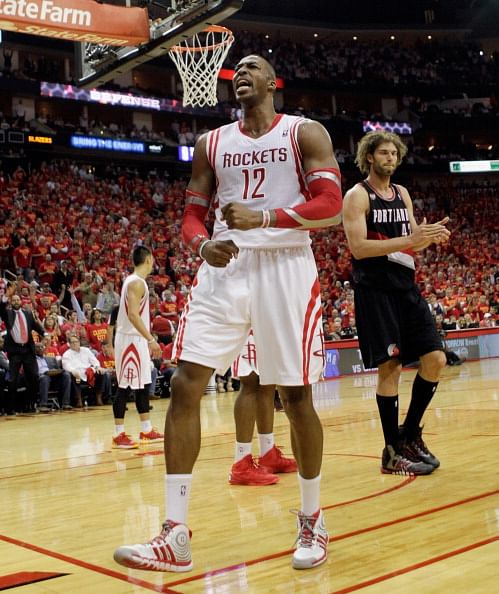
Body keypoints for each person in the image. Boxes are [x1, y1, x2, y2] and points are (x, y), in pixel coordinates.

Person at [113, 54, 342, 572]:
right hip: (225, 268)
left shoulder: (305, 133)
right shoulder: (210, 143)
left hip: (285, 265)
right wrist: (201, 248)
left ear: (273, 82)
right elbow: (194, 213)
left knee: (296, 395)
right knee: (186, 383)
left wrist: (264, 216)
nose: (240, 72)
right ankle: (174, 534)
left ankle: (312, 519)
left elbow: (329, 204)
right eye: (235, 68)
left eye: (252, 66)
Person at [342, 131, 450, 476]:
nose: (391, 158)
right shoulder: (358, 196)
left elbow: (411, 242)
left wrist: (428, 237)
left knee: (435, 359)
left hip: (406, 288)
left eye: (394, 153)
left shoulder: (402, 193)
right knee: (390, 369)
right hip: (375, 292)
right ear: (369, 157)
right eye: (384, 153)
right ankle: (391, 453)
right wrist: (411, 238)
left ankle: (410, 434)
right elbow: (358, 247)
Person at [111, 245, 164, 449]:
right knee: (124, 386)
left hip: (137, 340)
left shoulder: (135, 281)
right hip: (129, 340)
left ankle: (146, 429)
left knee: (142, 384)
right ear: (149, 259)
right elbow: (133, 315)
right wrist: (151, 339)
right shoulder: (136, 283)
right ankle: (118, 434)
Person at [229, 331, 297, 486]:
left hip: (268, 321)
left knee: (267, 382)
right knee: (250, 381)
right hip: (247, 320)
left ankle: (268, 454)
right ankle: (241, 462)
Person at [0, 284, 46, 414]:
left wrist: (45, 334)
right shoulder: (8, 313)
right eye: (13, 300)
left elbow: (35, 326)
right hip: (15, 351)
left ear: (21, 301)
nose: (16, 302)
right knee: (13, 380)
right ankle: (10, 408)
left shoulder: (27, 313)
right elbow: (1, 309)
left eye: (17, 300)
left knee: (33, 377)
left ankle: (30, 404)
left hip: (28, 350)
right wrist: (5, 298)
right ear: (11, 302)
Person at [35, 342, 72, 412]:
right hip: (39, 380)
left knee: (66, 375)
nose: (40, 349)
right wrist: (45, 373)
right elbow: (32, 373)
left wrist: (58, 371)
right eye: (38, 347)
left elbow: (57, 369)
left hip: (53, 379)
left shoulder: (51, 359)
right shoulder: (31, 360)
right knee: (45, 377)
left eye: (42, 347)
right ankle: (43, 405)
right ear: (33, 349)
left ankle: (65, 403)